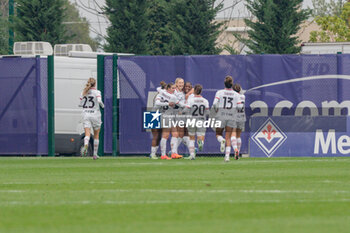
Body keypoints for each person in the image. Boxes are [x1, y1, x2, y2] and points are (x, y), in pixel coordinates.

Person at [212, 76, 240, 162]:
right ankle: (227, 157)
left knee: (218, 134)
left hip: (221, 115)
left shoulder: (219, 92)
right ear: (232, 84)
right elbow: (239, 107)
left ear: (224, 83)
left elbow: (214, 104)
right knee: (228, 136)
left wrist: (216, 110)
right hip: (231, 116)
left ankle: (221, 140)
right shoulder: (236, 94)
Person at [154, 82, 182, 160]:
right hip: (165, 116)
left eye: (174, 88)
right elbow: (157, 103)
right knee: (165, 135)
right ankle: (163, 155)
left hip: (170, 116)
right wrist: (167, 104)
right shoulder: (162, 95)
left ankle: (174, 153)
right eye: (172, 88)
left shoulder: (165, 94)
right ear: (168, 88)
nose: (174, 89)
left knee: (175, 134)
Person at [79, 78, 104, 160]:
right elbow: (99, 101)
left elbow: (80, 104)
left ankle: (86, 145)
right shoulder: (97, 92)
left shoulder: (84, 92)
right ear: (95, 84)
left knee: (87, 134)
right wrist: (103, 106)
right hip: (95, 114)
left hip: (85, 114)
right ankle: (95, 154)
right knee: (96, 134)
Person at [185, 84, 210, 160]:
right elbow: (208, 112)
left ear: (194, 90)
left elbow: (186, 110)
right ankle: (200, 143)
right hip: (201, 120)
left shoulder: (190, 100)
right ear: (201, 91)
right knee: (200, 137)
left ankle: (192, 155)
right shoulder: (205, 101)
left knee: (191, 138)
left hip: (191, 120)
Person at [149, 81, 167, 159]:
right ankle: (153, 154)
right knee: (156, 136)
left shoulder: (161, 94)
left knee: (159, 136)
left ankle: (154, 153)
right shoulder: (160, 95)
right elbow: (157, 104)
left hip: (156, 115)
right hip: (155, 115)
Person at [232, 83, 246, 158]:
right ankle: (238, 153)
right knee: (238, 136)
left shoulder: (234, 97)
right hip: (242, 116)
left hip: (234, 116)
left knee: (233, 134)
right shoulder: (243, 96)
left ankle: (235, 150)